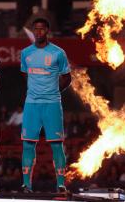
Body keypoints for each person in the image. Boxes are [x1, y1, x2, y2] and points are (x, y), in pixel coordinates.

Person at [20, 18, 71, 193]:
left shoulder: (58, 53)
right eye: (36, 29)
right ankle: (27, 185)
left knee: (56, 145)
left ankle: (61, 185)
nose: (38, 32)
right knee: (28, 144)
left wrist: (53, 92)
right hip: (32, 104)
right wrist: (36, 91)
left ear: (47, 30)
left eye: (42, 29)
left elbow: (67, 78)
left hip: (52, 104)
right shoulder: (26, 53)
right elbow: (25, 74)